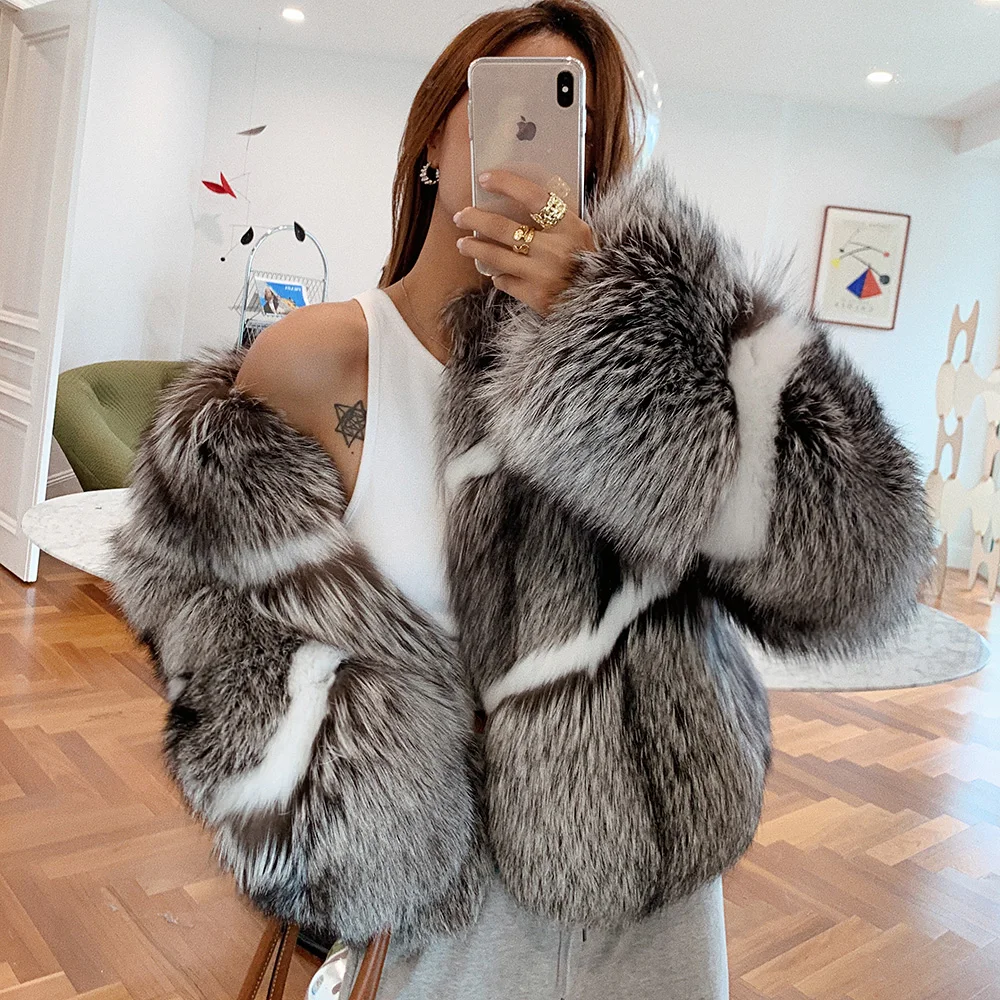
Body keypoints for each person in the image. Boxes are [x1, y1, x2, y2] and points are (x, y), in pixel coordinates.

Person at [105, 2, 933, 998]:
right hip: (437, 905)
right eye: (507, 102)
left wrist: (627, 333)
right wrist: (365, 813)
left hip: (647, 891)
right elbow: (212, 631)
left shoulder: (654, 349)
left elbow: (863, 560)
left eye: (575, 124)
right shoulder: (318, 363)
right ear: (430, 138)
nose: (535, 140)